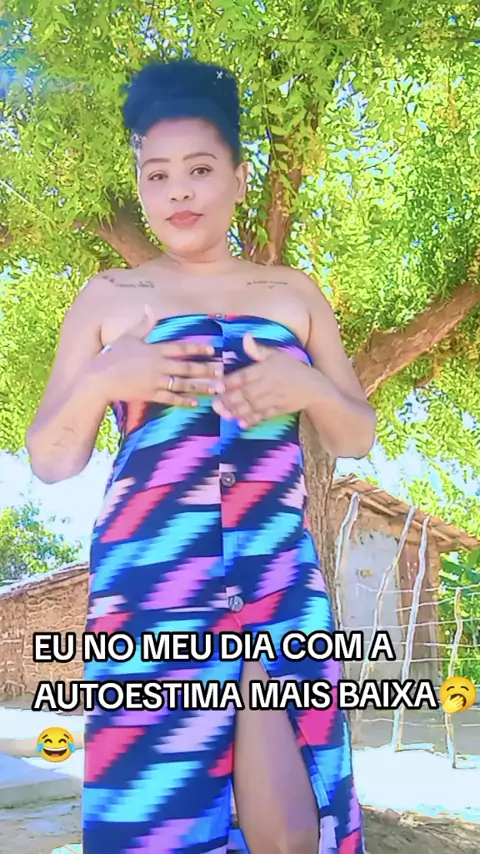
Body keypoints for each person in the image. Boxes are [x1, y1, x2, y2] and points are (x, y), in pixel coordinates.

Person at [26, 58, 375, 854]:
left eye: (200, 169)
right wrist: (103, 379)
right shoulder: (108, 296)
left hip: (275, 569)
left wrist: (306, 387)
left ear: (240, 178)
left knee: (297, 821)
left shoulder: (294, 292)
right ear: (140, 186)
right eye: (157, 175)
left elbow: (355, 433)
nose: (178, 192)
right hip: (153, 580)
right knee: (159, 806)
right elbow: (50, 458)